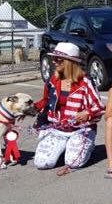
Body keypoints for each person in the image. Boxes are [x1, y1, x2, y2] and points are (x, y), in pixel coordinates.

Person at [32, 42, 104, 175]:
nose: (54, 62)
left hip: (80, 128)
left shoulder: (85, 82)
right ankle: (64, 146)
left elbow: (99, 107)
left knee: (73, 163)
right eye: (53, 58)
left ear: (70, 62)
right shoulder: (53, 80)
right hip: (57, 128)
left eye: (59, 59)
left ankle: (83, 145)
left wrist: (86, 112)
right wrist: (31, 108)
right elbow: (46, 101)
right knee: (42, 163)